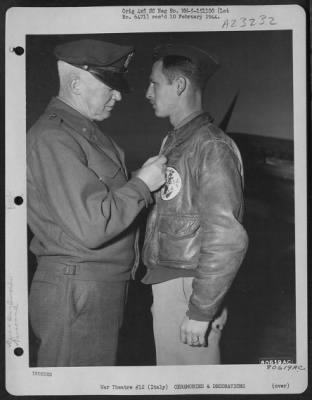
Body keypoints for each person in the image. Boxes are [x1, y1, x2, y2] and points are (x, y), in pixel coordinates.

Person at [27, 39, 166, 367]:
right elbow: (92, 225)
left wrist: (140, 180)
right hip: (76, 290)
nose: (118, 96)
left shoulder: (82, 133)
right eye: (111, 86)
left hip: (94, 287)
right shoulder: (53, 137)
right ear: (76, 84)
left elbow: (95, 195)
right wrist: (143, 184)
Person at [142, 44, 249, 365]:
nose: (148, 92)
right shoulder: (176, 142)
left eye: (154, 83)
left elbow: (227, 236)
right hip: (171, 282)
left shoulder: (211, 145)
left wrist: (201, 311)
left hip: (189, 288)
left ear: (179, 85)